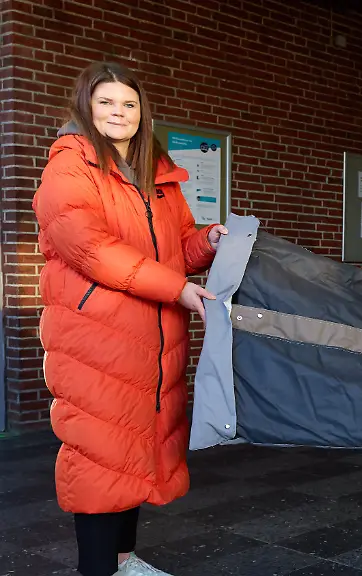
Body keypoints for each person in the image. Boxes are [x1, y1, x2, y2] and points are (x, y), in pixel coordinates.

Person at [32, 62, 228, 576]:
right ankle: (97, 569)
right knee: (100, 456)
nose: (118, 114)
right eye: (106, 103)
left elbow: (177, 245)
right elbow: (92, 250)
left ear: (142, 114)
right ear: (85, 108)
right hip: (95, 337)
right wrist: (175, 288)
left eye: (129, 105)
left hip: (154, 338)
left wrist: (207, 242)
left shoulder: (156, 175)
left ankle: (124, 560)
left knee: (136, 446)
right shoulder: (69, 167)